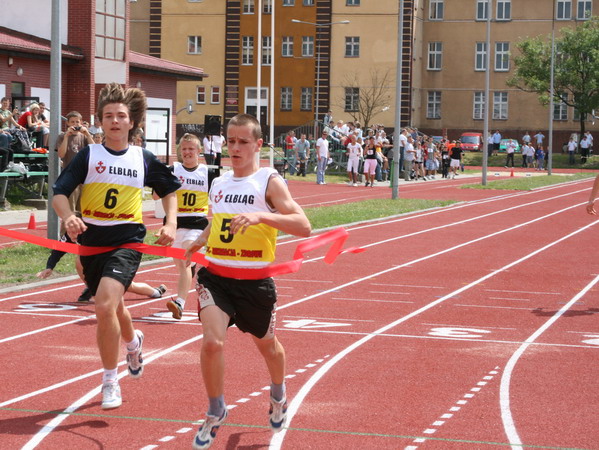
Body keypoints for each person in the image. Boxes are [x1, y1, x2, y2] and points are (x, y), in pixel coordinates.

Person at [183, 113, 311, 449]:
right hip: (217, 278)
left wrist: (260, 215)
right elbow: (221, 222)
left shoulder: (269, 181)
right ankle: (215, 409)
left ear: (258, 145)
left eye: (242, 142)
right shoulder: (220, 183)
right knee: (212, 343)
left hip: (255, 283)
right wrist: (200, 240)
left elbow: (303, 225)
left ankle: (278, 393)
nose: (235, 147)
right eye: (231, 141)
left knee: (268, 347)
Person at [52, 82, 180, 410]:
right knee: (115, 305)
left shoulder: (143, 158)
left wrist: (170, 223)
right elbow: (59, 193)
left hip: (127, 240)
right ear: (100, 120)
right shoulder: (88, 155)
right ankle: (134, 341)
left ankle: (110, 379)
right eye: (108, 116)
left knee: (105, 304)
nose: (115, 121)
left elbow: (169, 192)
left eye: (121, 116)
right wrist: (68, 218)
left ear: (131, 122)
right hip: (93, 243)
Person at [36, 227, 167, 303]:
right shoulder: (70, 233)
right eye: (70, 233)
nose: (73, 237)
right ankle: (91, 286)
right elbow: (59, 249)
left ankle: (155, 292)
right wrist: (49, 267)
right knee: (80, 258)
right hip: (94, 259)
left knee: (128, 286)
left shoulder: (94, 228)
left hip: (112, 256)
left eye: (75, 233)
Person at [164, 133, 213, 320]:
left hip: (197, 223)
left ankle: (179, 303)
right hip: (175, 225)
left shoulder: (207, 173)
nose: (187, 152)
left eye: (191, 149)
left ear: (199, 151)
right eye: (184, 149)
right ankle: (185, 286)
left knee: (185, 256)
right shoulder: (173, 170)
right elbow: (156, 194)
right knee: (182, 266)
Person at [56, 111, 95, 215]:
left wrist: (87, 134)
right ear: (67, 123)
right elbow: (61, 154)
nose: (75, 124)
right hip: (70, 177)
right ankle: (66, 231)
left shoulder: (84, 137)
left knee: (84, 211)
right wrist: (66, 137)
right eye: (72, 122)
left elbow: (95, 150)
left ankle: (82, 231)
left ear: (81, 123)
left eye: (77, 122)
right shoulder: (62, 136)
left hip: (84, 178)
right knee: (71, 211)